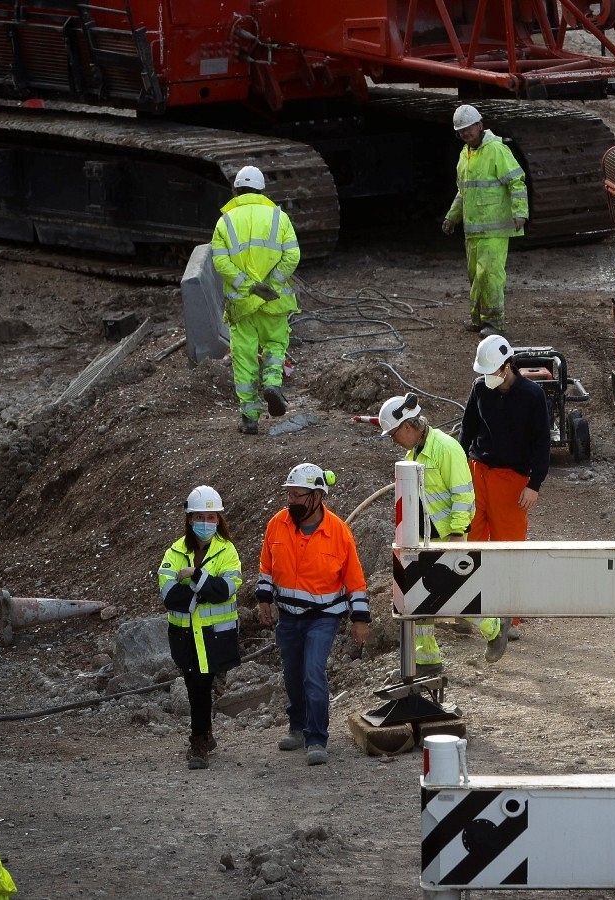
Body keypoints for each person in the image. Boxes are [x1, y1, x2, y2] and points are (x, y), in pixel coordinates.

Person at [379, 393, 510, 666]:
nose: (393, 440)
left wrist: (457, 534)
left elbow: (463, 494)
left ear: (408, 427)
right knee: (419, 597)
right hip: (424, 537)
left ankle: (495, 628)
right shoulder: (412, 453)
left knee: (458, 594)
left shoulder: (446, 448)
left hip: (449, 535)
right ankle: (427, 659)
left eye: (393, 434)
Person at [256, 463, 370, 766]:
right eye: (289, 495)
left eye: (298, 495)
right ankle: (297, 726)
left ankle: (317, 737)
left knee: (312, 672)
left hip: (324, 617)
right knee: (293, 674)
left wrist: (360, 619)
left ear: (318, 496)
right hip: (288, 616)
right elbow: (266, 568)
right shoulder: (277, 524)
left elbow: (355, 581)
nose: (291, 501)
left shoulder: (338, 532)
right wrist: (263, 600)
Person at [461, 336, 551, 639]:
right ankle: (470, 610)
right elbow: (467, 430)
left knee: (508, 546)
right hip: (478, 472)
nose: (486, 378)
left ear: (506, 366)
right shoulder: (479, 389)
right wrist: (462, 470)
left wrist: (534, 484)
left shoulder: (532, 396)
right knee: (470, 539)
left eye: (491, 372)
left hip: (512, 481)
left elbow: (542, 444)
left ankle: (508, 618)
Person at [210, 164, 301, 435]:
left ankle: (249, 418)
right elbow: (293, 256)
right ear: (263, 190)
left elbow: (220, 262)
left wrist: (248, 286)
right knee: (275, 344)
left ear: (236, 189)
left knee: (245, 358)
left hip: (242, 305)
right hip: (273, 302)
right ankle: (273, 383)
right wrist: (271, 283)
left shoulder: (225, 221)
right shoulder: (278, 217)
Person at [157, 485, 243, 770]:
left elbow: (226, 589)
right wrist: (204, 588)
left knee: (201, 684)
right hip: (183, 635)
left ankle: (198, 742)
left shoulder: (227, 551)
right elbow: (170, 596)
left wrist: (194, 575)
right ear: (190, 519)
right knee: (196, 683)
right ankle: (204, 734)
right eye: (200, 517)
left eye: (212, 517)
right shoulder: (174, 552)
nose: (206, 523)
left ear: (218, 520)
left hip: (213, 636)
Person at [442, 104, 529, 337]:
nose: (464, 135)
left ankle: (495, 324)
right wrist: (452, 216)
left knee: (489, 275)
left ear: (480, 125)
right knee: (475, 276)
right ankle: (479, 320)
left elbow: (516, 182)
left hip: (495, 229)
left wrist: (520, 212)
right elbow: (464, 191)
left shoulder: (497, 150)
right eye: (460, 132)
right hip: (473, 230)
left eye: (468, 129)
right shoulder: (465, 154)